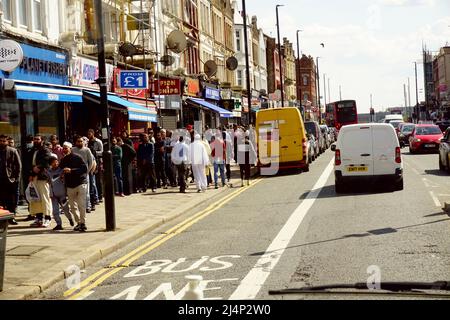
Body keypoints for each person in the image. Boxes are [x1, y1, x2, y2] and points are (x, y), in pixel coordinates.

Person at [60, 142, 88, 232]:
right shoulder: (63, 160)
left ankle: (83, 223)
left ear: (70, 148)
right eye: (63, 148)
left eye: (66, 148)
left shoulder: (78, 157)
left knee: (81, 205)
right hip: (70, 185)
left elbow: (84, 169)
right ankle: (78, 223)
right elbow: (60, 169)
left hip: (80, 183)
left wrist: (71, 170)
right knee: (72, 206)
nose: (64, 150)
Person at [27, 135, 53, 228]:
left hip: (43, 177)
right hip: (34, 177)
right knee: (36, 198)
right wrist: (31, 173)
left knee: (45, 197)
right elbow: (28, 163)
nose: (36, 140)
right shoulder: (32, 150)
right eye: (35, 139)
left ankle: (47, 218)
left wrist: (39, 167)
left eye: (38, 139)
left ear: (42, 140)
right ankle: (38, 218)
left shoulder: (45, 150)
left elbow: (46, 161)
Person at [47, 154, 74, 230]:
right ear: (50, 164)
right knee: (55, 211)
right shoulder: (48, 172)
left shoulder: (62, 170)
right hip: (53, 195)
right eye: (53, 162)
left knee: (66, 209)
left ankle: (70, 219)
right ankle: (59, 224)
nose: (56, 163)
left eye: (56, 162)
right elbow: (47, 180)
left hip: (62, 194)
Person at [0, 134, 22, 225]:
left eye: (4, 141)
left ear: (7, 141)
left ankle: (11, 217)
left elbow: (18, 166)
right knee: (1, 200)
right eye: (0, 141)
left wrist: (16, 179)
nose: (2, 142)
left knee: (11, 200)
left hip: (10, 180)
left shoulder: (12, 151)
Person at [72, 135, 96, 213]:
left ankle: (87, 206)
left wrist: (87, 171)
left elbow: (91, 162)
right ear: (76, 142)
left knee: (86, 191)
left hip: (85, 174)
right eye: (78, 141)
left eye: (81, 141)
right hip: (75, 174)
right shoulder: (73, 150)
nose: (80, 143)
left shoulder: (87, 150)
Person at [87, 129, 103, 204]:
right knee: (92, 180)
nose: (89, 135)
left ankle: (100, 196)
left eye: (90, 134)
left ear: (93, 134)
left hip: (97, 162)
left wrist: (94, 152)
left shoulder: (98, 142)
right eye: (88, 134)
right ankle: (94, 197)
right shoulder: (87, 142)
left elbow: (102, 152)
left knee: (98, 180)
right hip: (89, 162)